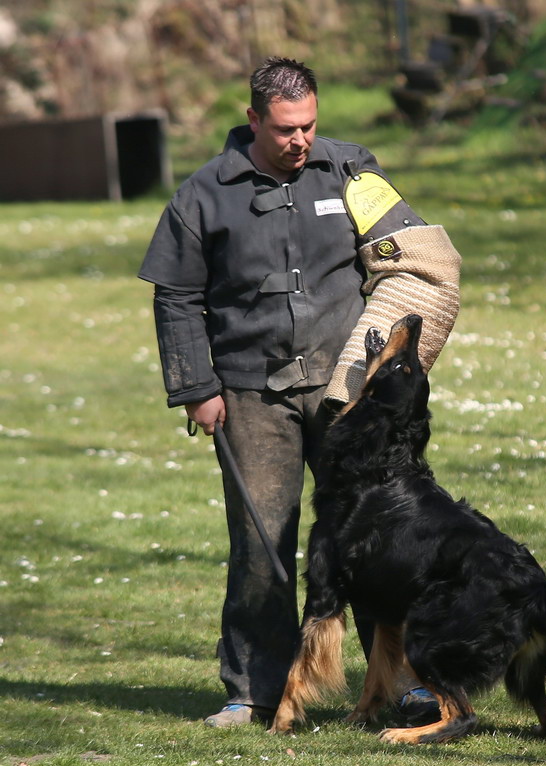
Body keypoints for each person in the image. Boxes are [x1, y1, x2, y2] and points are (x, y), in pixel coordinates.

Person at [139, 57, 435, 728]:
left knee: (383, 535)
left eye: (309, 126)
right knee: (261, 545)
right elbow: (176, 297)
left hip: (347, 393)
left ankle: (411, 681)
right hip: (249, 395)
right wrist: (196, 388)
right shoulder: (203, 194)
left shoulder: (352, 172)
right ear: (252, 120)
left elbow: (410, 254)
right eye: (284, 130)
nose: (301, 141)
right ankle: (254, 690)